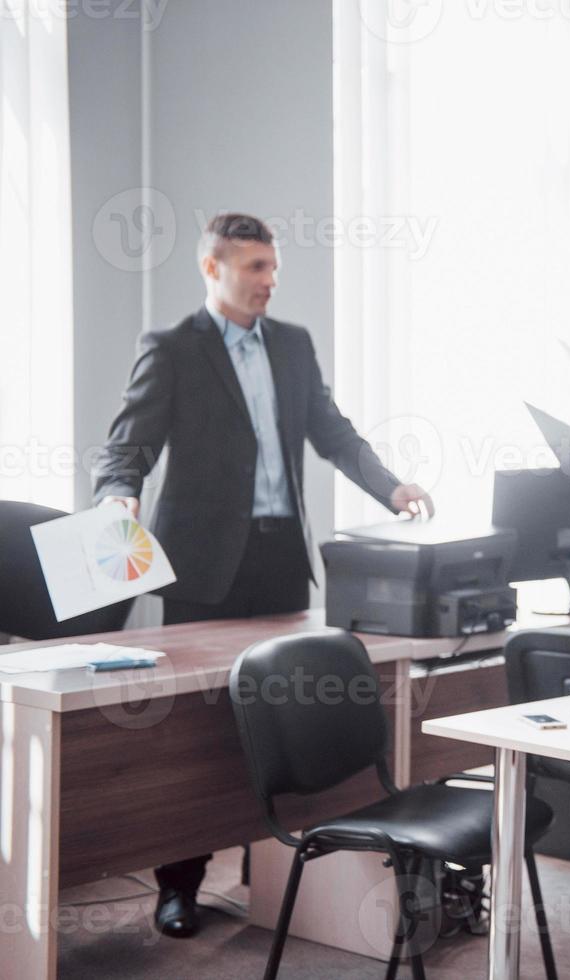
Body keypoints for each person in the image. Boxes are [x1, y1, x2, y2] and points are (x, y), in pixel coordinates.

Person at [92, 212, 433, 939]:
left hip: (281, 561)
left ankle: (272, 873)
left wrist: (392, 488)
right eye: (253, 268)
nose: (268, 282)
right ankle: (178, 886)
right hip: (202, 570)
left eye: (272, 268)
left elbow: (332, 432)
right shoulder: (171, 349)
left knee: (287, 717)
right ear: (211, 268)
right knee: (193, 734)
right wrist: (117, 495)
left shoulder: (292, 345)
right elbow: (127, 443)